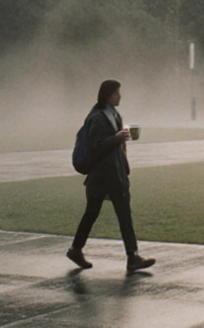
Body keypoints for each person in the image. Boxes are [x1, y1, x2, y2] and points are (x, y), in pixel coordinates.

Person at [66, 79, 155, 274]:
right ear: (108, 96)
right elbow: (95, 147)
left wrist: (122, 142)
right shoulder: (97, 118)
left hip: (114, 173)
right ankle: (131, 257)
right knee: (102, 213)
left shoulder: (113, 113)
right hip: (102, 175)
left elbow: (113, 145)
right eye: (117, 93)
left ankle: (78, 250)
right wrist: (115, 139)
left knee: (109, 213)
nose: (120, 96)